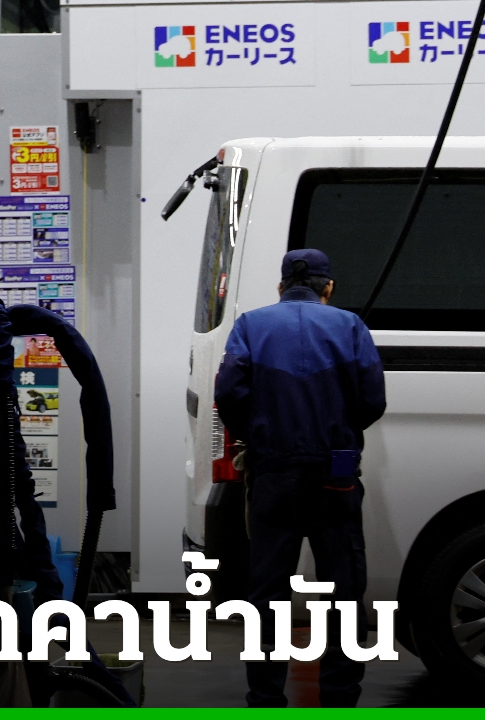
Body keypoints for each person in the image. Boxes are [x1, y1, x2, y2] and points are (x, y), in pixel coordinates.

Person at [215, 249, 386, 708]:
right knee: (343, 592)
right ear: (328, 287)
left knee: (267, 594)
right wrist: (340, 431)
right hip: (337, 474)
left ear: (280, 287)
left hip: (273, 473)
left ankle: (266, 699)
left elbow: (228, 393)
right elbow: (373, 400)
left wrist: (260, 435)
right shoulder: (350, 326)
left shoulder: (250, 325)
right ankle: (339, 700)